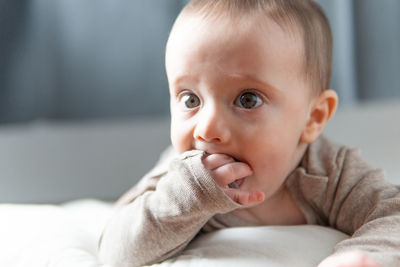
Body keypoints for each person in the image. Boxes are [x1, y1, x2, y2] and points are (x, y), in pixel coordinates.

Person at [98, 1, 400, 266]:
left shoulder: (331, 174)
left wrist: (366, 255)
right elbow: (114, 250)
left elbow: (392, 216)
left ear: (313, 117)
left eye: (247, 100)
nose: (207, 129)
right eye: (191, 100)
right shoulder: (182, 180)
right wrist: (186, 199)